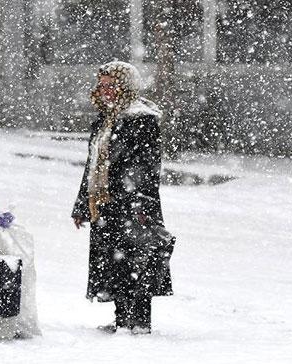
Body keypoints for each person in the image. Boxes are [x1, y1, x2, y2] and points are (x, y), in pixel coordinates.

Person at [71, 61, 173, 335]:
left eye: (110, 85)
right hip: (105, 204)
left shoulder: (142, 119)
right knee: (113, 261)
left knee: (137, 259)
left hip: (132, 204)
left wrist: (142, 203)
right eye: (101, 85)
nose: (104, 90)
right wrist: (82, 204)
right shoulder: (105, 119)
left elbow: (148, 166)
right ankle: (121, 319)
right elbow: (92, 165)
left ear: (125, 86)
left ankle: (139, 322)